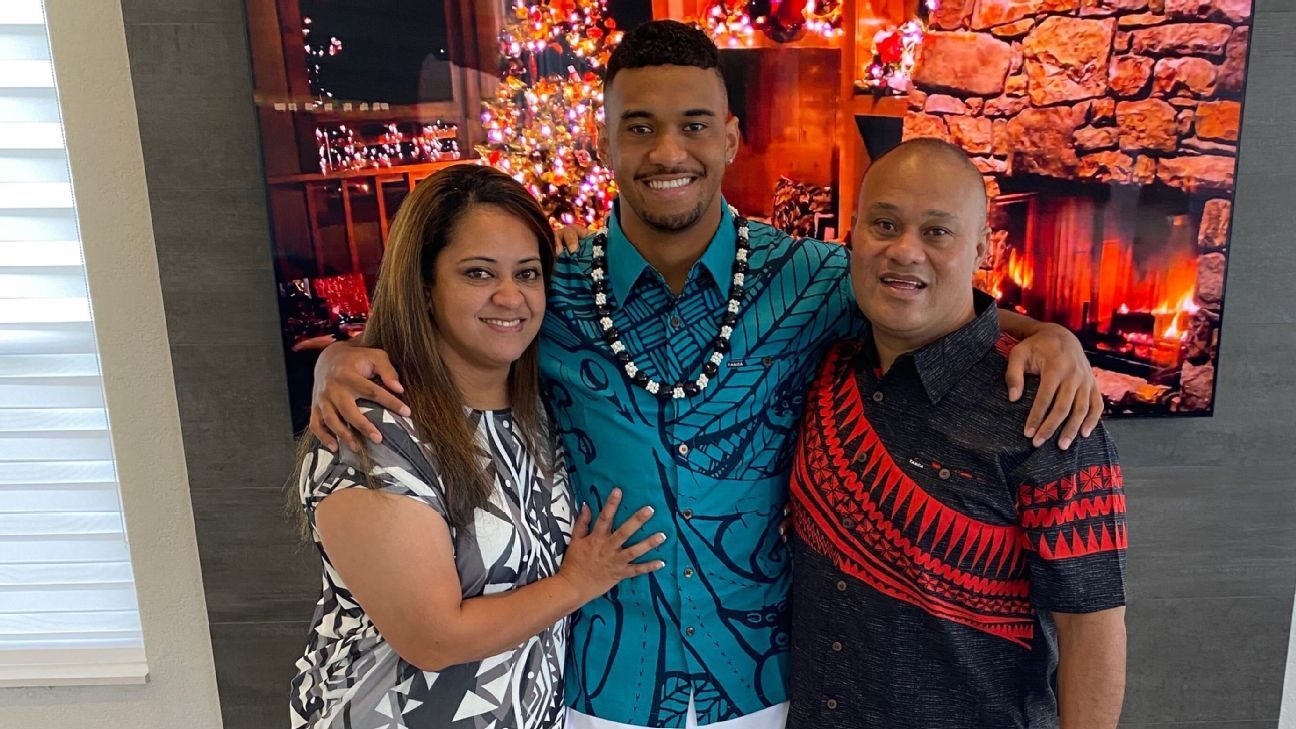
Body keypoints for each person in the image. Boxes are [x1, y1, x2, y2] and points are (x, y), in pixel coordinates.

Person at [308, 21, 1105, 729]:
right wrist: (340, 362)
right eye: (640, 127)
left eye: (693, 125)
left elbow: (918, 291)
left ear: (729, 138)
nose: (667, 151)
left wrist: (1049, 333)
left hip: (762, 687)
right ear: (604, 141)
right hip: (596, 691)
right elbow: (448, 320)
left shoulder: (811, 280)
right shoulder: (549, 290)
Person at [288, 164, 665, 729]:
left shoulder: (536, 410)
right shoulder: (372, 430)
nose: (510, 296)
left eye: (528, 273)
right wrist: (579, 582)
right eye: (478, 273)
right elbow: (434, 639)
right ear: (425, 287)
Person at [787, 139, 1127, 728]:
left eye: (937, 232)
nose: (905, 251)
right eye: (884, 224)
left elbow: (1091, 626)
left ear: (981, 247)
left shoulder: (1047, 409)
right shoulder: (825, 365)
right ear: (852, 236)